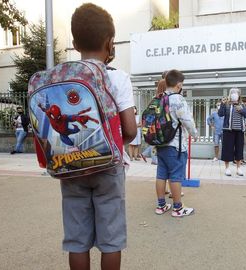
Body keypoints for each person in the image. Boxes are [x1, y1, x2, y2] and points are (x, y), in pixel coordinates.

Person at [63, 4, 137, 270]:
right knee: (111, 239)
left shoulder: (64, 77)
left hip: (71, 166)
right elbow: (130, 130)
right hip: (108, 166)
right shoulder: (116, 78)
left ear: (74, 43)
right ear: (110, 43)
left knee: (77, 239)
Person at [155, 69, 198, 218]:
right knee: (175, 175)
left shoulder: (159, 98)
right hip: (175, 144)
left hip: (160, 143)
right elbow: (187, 120)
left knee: (161, 174)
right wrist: (194, 133)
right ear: (179, 85)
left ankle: (161, 206)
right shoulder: (178, 99)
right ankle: (178, 208)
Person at [219, 88, 246, 176]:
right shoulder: (227, 104)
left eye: (236, 93)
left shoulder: (242, 105)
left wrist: (241, 110)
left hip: (239, 131)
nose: (234, 94)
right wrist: (222, 104)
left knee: (239, 149)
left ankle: (238, 168)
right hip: (228, 130)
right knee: (227, 149)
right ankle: (227, 168)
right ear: (230, 94)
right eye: (232, 93)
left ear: (239, 95)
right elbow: (220, 114)